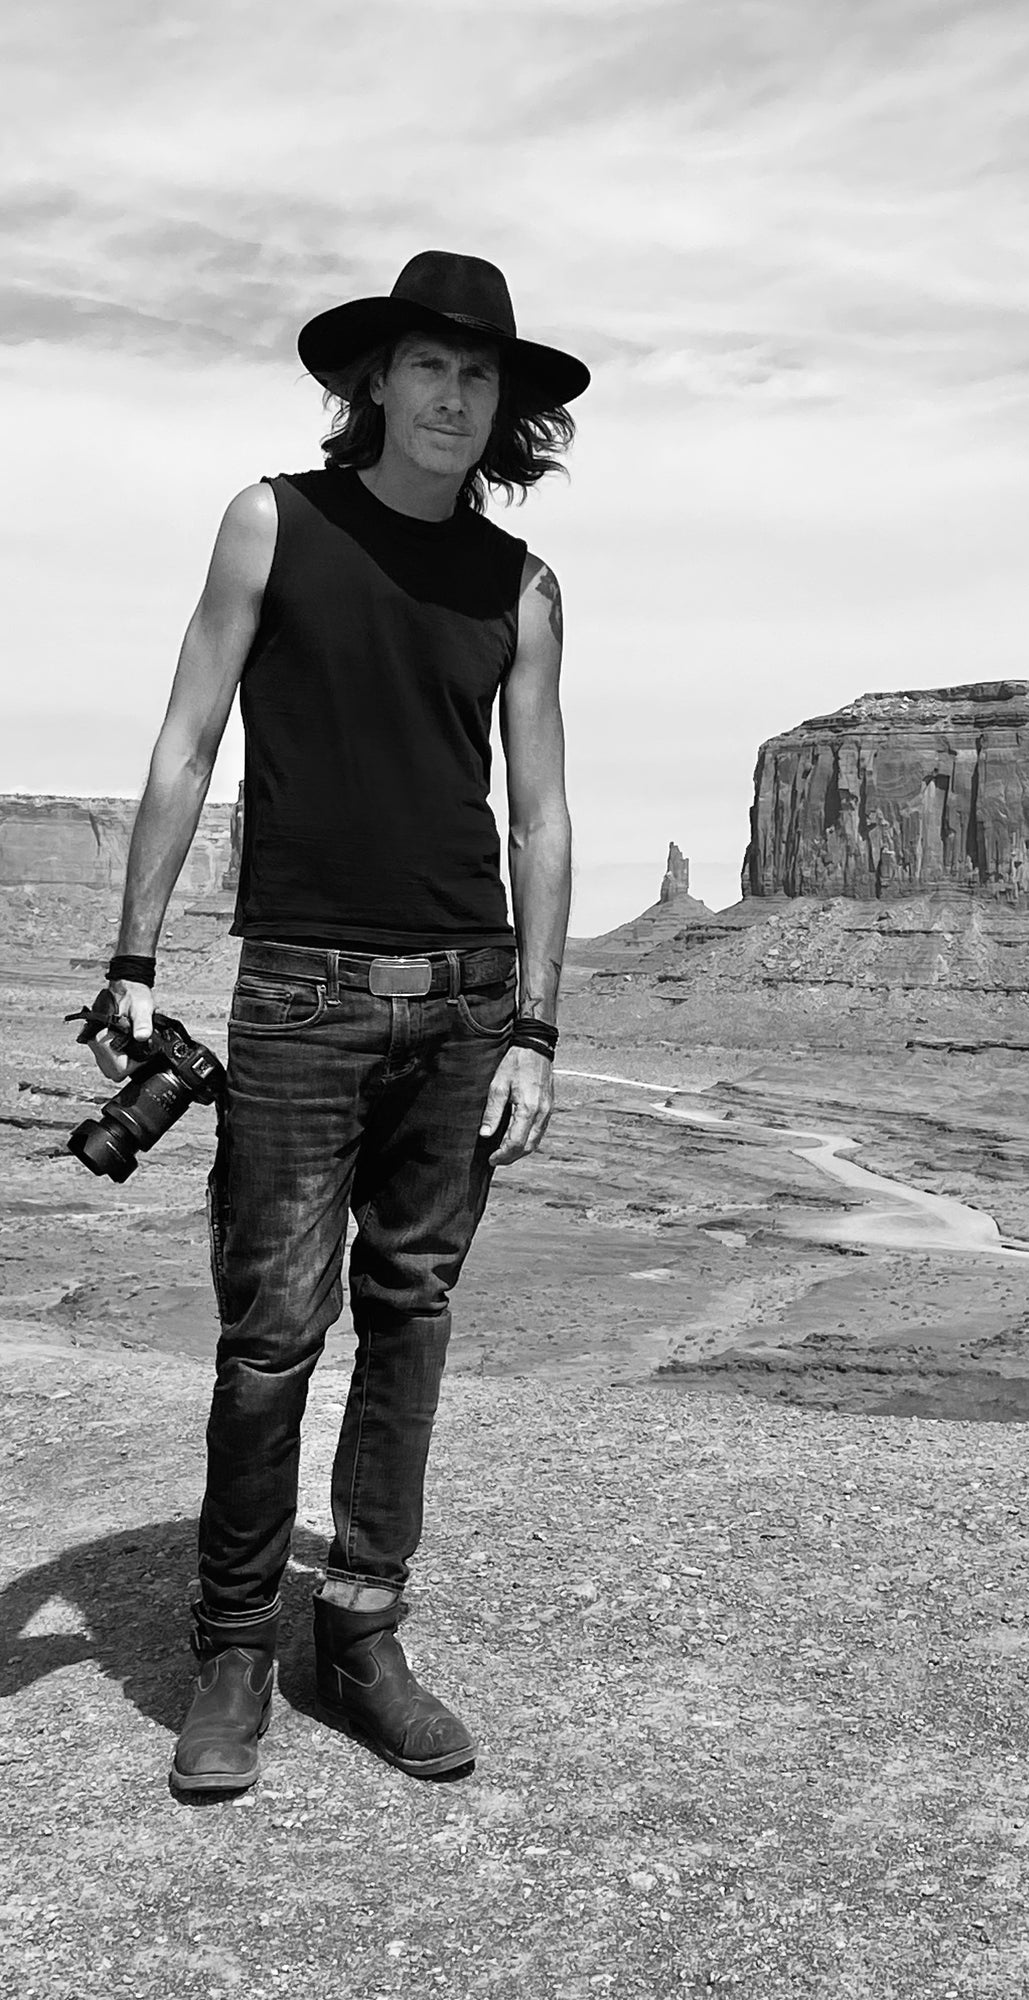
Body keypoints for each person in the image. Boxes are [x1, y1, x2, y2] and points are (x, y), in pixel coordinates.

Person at [86, 251, 588, 1796]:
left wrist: (537, 1029)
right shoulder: (274, 524)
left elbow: (546, 814)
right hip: (298, 989)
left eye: (479, 375)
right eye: (427, 367)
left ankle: (358, 1628)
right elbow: (184, 741)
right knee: (271, 1334)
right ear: (372, 380)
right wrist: (133, 954)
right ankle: (236, 1643)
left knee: (412, 1314)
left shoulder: (520, 586)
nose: (452, 395)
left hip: (464, 999)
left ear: (506, 406)